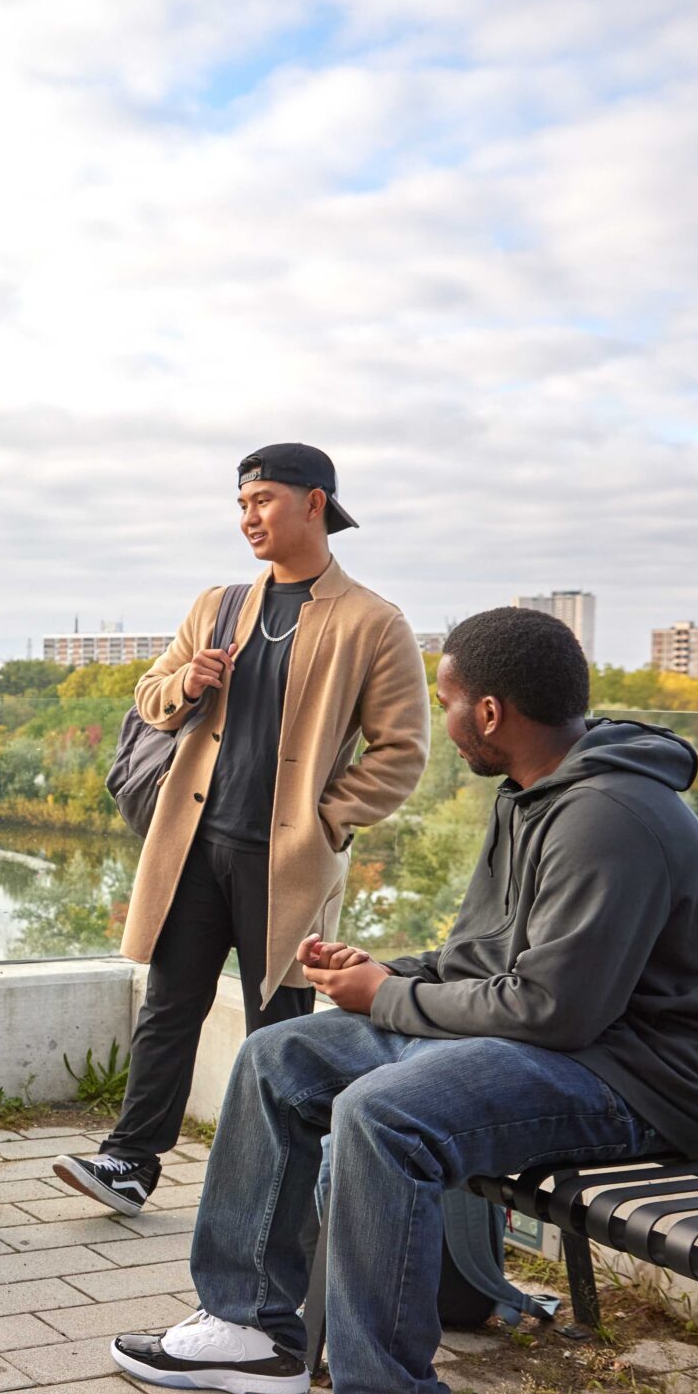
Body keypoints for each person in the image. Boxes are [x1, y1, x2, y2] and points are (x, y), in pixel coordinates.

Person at [110, 607, 698, 1394]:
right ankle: (254, 1325)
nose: (440, 720)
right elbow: (488, 954)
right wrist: (390, 974)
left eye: (447, 701)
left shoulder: (611, 817)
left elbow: (554, 1008)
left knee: (382, 1113)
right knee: (279, 1055)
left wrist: (389, 1002)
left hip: (639, 1079)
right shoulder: (533, 794)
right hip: (555, 1047)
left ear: (490, 713)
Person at [55, 444, 427, 1215]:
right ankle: (130, 1162)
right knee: (169, 1006)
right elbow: (149, 694)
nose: (248, 516)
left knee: (280, 1035)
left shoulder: (373, 622)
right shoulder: (217, 605)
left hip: (284, 863)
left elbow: (401, 752)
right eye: (241, 503)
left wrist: (325, 821)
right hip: (194, 845)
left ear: (315, 502)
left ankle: (277, 1194)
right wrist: (184, 685)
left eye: (262, 499)